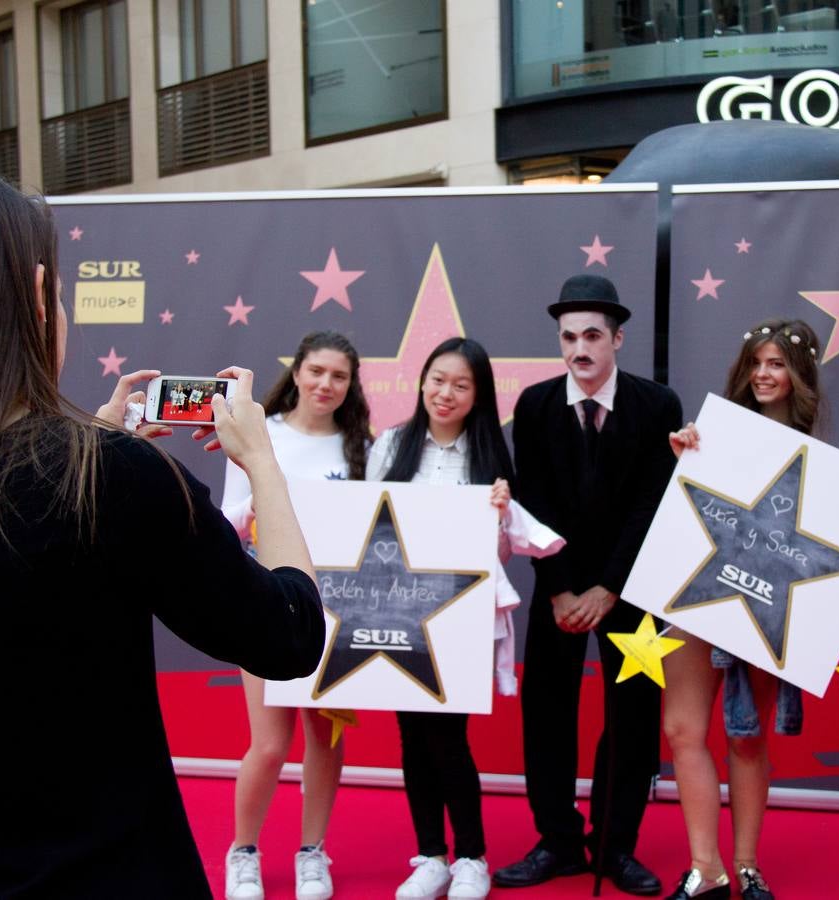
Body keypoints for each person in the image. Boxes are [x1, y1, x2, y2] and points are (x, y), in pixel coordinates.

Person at [0, 172, 325, 899]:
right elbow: (288, 632)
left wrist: (89, 439)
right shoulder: (116, 480)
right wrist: (263, 464)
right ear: (37, 297)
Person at [495, 275, 682, 897]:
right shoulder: (535, 404)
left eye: (593, 336)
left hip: (633, 589)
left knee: (633, 716)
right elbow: (535, 502)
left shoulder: (658, 405)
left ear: (618, 339)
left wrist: (609, 587)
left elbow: (652, 506)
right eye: (569, 337)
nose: (580, 348)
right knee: (546, 713)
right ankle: (556, 841)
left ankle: (615, 845)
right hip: (560, 591)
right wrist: (560, 591)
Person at [662, 320, 822, 900]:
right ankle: (705, 868)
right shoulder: (710, 438)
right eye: (756, 362)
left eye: (777, 363)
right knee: (682, 729)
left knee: (747, 736)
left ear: (799, 375)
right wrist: (682, 459)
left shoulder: (822, 463)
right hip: (696, 596)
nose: (763, 373)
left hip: (762, 606)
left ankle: (747, 865)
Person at [366, 336, 520, 900]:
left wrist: (502, 518)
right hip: (399, 612)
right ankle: (429, 854)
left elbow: (501, 557)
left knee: (449, 738)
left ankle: (472, 857)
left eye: (460, 384)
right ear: (421, 381)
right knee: (412, 735)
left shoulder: (490, 457)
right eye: (437, 379)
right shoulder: (391, 446)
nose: (445, 393)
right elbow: (368, 528)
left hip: (460, 617)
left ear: (478, 394)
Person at [220, 331, 372, 900]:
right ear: (298, 372)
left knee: (326, 739)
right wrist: (259, 504)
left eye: (339, 376)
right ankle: (243, 851)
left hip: (343, 613)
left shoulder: (364, 448)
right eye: (317, 372)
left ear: (351, 384)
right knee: (268, 743)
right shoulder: (264, 436)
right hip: (267, 602)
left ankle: (313, 852)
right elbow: (226, 519)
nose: (326, 385)